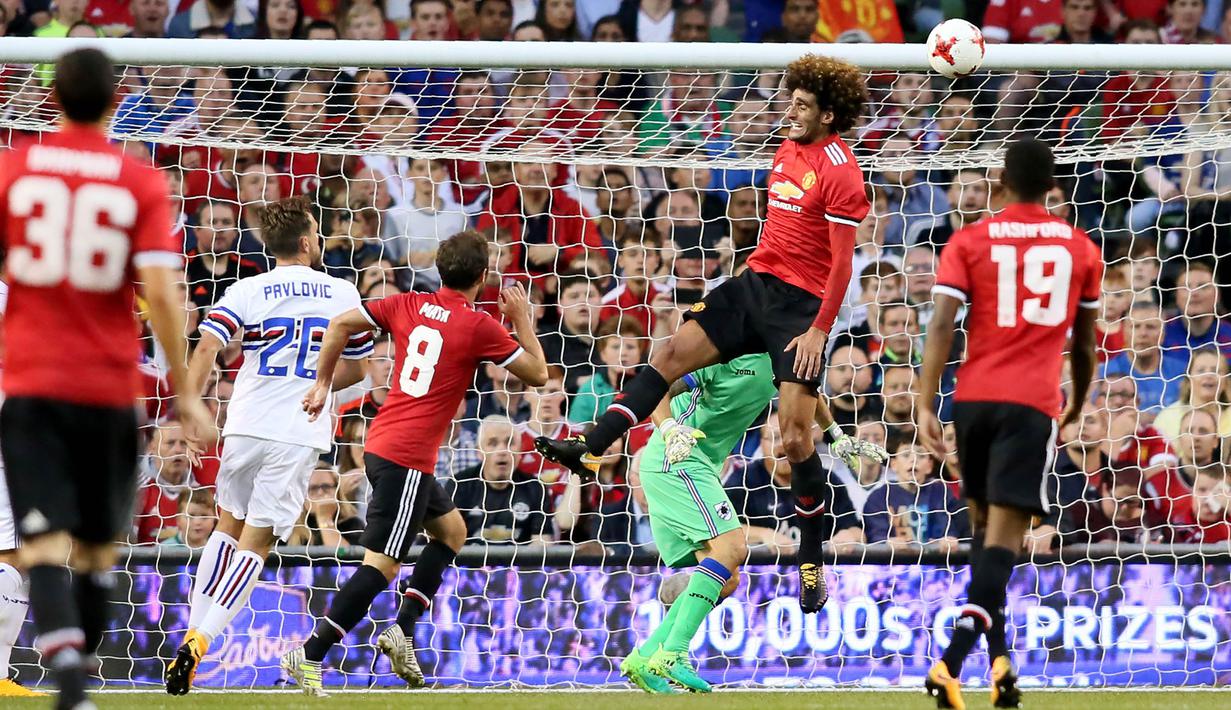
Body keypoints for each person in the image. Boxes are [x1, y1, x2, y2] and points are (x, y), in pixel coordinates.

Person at [537, 54, 869, 615]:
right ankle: (588, 449)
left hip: (800, 310)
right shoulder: (787, 148)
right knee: (667, 352)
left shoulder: (841, 170)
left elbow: (840, 266)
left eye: (803, 105)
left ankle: (811, 555)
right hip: (755, 283)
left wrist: (818, 330)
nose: (790, 110)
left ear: (829, 114)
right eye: (790, 99)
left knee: (792, 439)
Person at [0, 48, 216, 710]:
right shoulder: (141, 181)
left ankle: (68, 677)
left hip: (30, 388)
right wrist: (184, 392)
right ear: (117, 104)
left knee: (38, 544)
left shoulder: (13, 171)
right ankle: (75, 682)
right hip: (105, 390)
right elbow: (161, 288)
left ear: (52, 100)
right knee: (94, 553)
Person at [284, 230, 548, 695]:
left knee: (452, 532)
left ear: (439, 271)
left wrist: (324, 382)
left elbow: (340, 326)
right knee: (382, 566)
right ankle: (309, 654)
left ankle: (402, 629)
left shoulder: (406, 303)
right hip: (405, 457)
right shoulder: (478, 325)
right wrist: (522, 318)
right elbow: (539, 372)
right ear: (483, 278)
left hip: (388, 445)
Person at [916, 138, 1101, 710]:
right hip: (1029, 403)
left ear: (998, 185)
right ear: (1053, 187)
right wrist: (1078, 399)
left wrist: (926, 401)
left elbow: (942, 325)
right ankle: (950, 661)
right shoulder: (1080, 248)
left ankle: (999, 664)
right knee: (1005, 542)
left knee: (982, 539)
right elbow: (1085, 344)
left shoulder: (969, 240)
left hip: (973, 402)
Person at [163, 196, 373, 695]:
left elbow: (208, 345)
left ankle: (192, 632)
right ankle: (202, 638)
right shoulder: (341, 291)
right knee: (257, 544)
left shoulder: (246, 287)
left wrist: (192, 409)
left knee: (226, 527)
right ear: (306, 241)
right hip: (298, 430)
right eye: (318, 233)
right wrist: (319, 384)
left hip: (246, 422)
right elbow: (361, 368)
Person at [621, 351, 887, 694]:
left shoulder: (780, 355)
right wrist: (670, 428)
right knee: (732, 548)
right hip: (677, 458)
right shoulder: (720, 350)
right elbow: (657, 386)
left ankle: (644, 657)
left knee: (727, 578)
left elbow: (806, 392)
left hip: (699, 466)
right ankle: (673, 653)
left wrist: (836, 434)